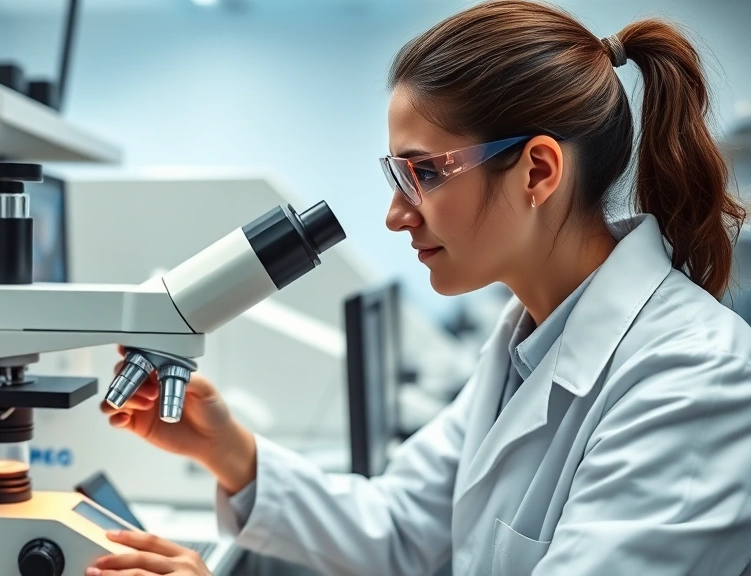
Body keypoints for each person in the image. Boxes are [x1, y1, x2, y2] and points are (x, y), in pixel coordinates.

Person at [86, 1, 751, 574]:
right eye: (395, 177)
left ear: (538, 171)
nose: (396, 215)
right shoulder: (528, 339)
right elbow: (402, 526)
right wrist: (225, 448)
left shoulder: (692, 380)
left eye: (425, 175)